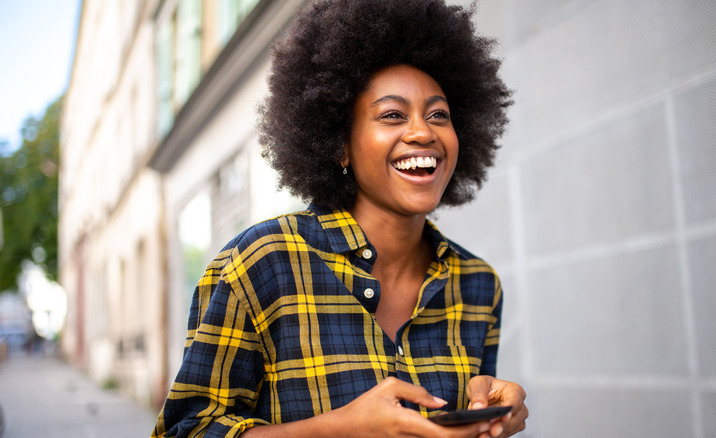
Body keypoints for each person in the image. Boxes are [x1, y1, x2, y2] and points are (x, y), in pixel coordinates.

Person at [152, 0, 528, 437]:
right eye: (392, 115)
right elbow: (186, 431)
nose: (423, 132)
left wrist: (489, 411)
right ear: (339, 145)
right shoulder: (261, 264)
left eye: (438, 115)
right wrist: (339, 429)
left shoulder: (478, 284)